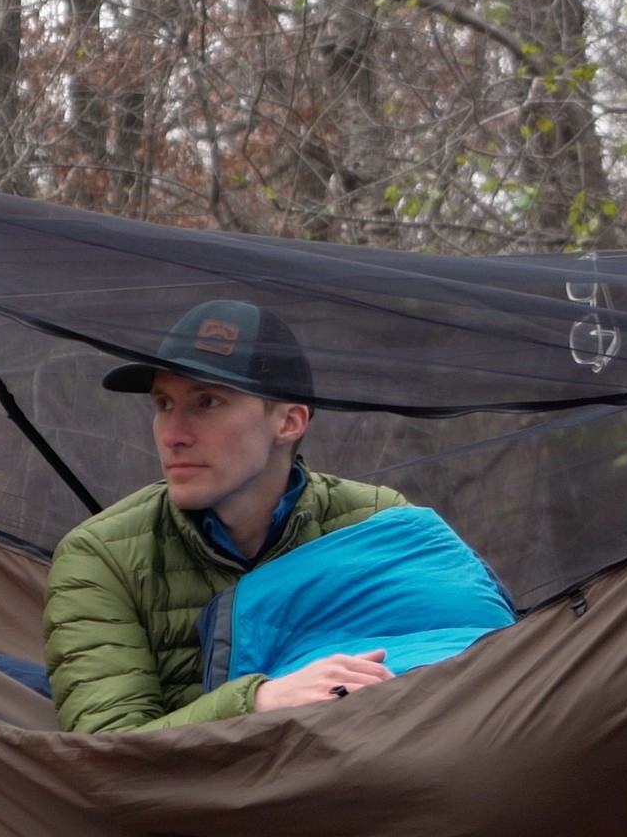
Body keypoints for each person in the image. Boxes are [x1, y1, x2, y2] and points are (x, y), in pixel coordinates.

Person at [43, 299, 407, 732]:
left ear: (289, 421)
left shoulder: (379, 524)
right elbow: (108, 752)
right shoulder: (101, 558)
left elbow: (456, 681)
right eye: (163, 403)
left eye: (208, 402)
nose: (173, 435)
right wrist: (258, 701)